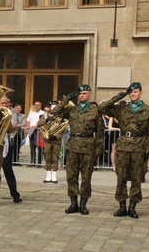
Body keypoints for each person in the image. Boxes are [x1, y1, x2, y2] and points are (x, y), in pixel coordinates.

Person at [98, 82, 149, 218]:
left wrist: (146, 150)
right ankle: (122, 205)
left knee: (136, 178)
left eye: (135, 91)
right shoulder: (122, 108)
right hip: (123, 147)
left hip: (139, 147)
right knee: (121, 177)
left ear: (141, 92)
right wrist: (121, 95)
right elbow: (102, 107)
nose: (133, 94)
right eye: (131, 92)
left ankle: (133, 206)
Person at [51, 85, 104, 215]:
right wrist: (68, 98)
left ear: (89, 95)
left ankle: (83, 203)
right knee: (71, 176)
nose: (81, 96)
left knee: (86, 177)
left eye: (84, 93)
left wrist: (98, 149)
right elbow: (55, 112)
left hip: (88, 146)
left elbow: (100, 132)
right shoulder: (72, 110)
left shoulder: (95, 111)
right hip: (73, 145)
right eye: (79, 94)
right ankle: (73, 202)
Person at [0, 97, 23, 204]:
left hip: (6, 144)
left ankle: (15, 194)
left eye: (7, 103)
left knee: (8, 170)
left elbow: (11, 128)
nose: (5, 104)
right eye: (3, 103)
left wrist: (13, 127)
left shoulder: (10, 113)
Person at [38, 102, 63, 184]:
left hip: (56, 141)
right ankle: (48, 176)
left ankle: (54, 176)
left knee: (55, 158)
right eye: (52, 107)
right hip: (47, 140)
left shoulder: (60, 117)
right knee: (47, 158)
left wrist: (56, 136)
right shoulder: (45, 116)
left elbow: (63, 128)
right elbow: (38, 124)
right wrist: (46, 120)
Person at [24, 101, 45, 166]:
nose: (36, 106)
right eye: (35, 105)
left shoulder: (43, 113)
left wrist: (37, 126)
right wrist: (27, 127)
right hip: (32, 131)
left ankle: (39, 162)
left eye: (38, 105)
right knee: (32, 146)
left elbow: (44, 122)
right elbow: (28, 121)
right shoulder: (31, 113)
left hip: (39, 131)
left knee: (40, 147)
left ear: (41, 106)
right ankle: (32, 161)